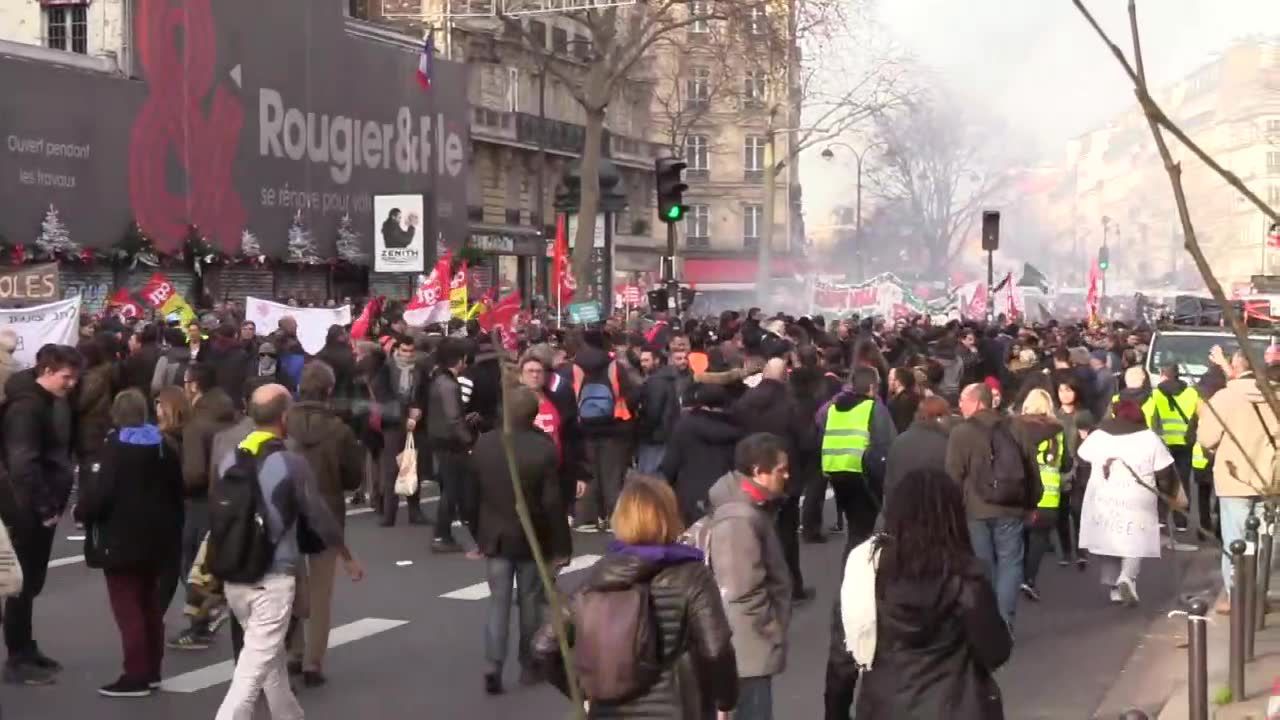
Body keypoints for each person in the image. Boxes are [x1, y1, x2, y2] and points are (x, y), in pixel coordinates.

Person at [213, 384, 365, 720]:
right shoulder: (289, 463)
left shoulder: (229, 457)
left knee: (272, 663)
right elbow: (318, 516)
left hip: (235, 572)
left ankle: (290, 715)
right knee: (251, 674)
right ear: (285, 417)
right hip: (273, 575)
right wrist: (347, 556)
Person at [533, 475, 738, 718]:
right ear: (669, 516)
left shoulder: (596, 579)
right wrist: (725, 701)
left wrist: (582, 692)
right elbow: (716, 649)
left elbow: (543, 646)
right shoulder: (692, 576)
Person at [841, 468, 1012, 720]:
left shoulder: (867, 571)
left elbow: (842, 657)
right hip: (957, 706)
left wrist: (836, 709)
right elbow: (995, 651)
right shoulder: (966, 577)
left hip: (884, 706)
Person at [74, 388, 184, 697]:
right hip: (158, 538)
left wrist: (81, 511)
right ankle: (151, 670)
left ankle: (135, 673)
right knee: (149, 604)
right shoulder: (165, 446)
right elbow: (178, 492)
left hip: (120, 539)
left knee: (128, 607)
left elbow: (100, 495)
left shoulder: (114, 449)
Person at [470, 386, 571, 694]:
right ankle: (528, 662)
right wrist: (562, 547)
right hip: (531, 535)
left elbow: (472, 496)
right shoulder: (543, 449)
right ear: (534, 414)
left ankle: (492, 663)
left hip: (495, 534)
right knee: (529, 600)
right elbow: (553, 504)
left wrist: (478, 533)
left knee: (497, 601)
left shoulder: (485, 445)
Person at [0, 344, 82, 685]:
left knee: (29, 582)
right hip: (24, 509)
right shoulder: (27, 409)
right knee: (20, 583)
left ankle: (26, 648)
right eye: (66, 377)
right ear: (46, 371)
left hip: (31, 506)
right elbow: (23, 464)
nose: (71, 384)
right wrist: (45, 507)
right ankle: (18, 657)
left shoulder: (42, 402)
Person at [283, 361, 366, 687]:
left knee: (289, 585)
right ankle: (313, 661)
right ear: (329, 390)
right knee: (320, 593)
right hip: (326, 511)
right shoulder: (339, 430)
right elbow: (352, 477)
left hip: (286, 511)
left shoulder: (284, 423)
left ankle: (293, 649)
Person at [705, 433, 794, 720]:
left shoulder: (748, 508)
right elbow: (739, 592)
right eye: (780, 470)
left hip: (746, 649)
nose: (787, 475)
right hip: (747, 653)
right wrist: (771, 629)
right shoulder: (739, 520)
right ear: (758, 471)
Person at [946, 383, 1040, 627]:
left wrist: (951, 512)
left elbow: (953, 476)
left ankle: (986, 622)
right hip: (1011, 506)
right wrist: (1031, 504)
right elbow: (1031, 469)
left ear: (977, 402)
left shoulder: (961, 432)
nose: (960, 405)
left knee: (983, 565)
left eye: (963, 400)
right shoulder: (1015, 427)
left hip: (975, 510)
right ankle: (1004, 618)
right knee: (1011, 563)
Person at [1077, 398, 1180, 606]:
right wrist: (1167, 494)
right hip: (1138, 494)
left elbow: (1081, 454)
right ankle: (1127, 577)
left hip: (1105, 494)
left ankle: (1114, 586)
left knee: (1109, 538)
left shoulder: (1100, 435)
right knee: (1135, 539)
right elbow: (1164, 470)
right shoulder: (1149, 437)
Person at [1197, 348, 1274, 614]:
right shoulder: (1274, 394)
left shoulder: (1225, 398)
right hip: (1271, 478)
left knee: (1235, 539)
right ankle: (1258, 592)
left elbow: (1206, 439)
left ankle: (1236, 595)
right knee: (1266, 539)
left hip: (1234, 476)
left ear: (1236, 368)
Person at [736, 357, 818, 602]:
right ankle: (792, 588)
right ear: (784, 377)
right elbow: (807, 441)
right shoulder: (791, 404)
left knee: (752, 532)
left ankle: (758, 586)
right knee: (786, 536)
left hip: (752, 475)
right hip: (784, 478)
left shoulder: (744, 402)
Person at [817, 366, 897, 551]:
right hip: (863, 473)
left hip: (836, 471)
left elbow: (822, 433)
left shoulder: (834, 408)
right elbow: (886, 443)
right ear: (872, 386)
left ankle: (851, 570)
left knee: (854, 527)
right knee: (862, 532)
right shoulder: (874, 408)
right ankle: (856, 573)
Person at [660, 383, 745, 525]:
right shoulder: (737, 428)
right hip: (728, 495)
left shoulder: (685, 426)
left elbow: (670, 464)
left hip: (691, 495)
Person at [1015, 389, 1071, 602]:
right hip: (1048, 495)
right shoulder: (1058, 430)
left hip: (1020, 493)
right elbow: (1066, 463)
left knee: (1017, 537)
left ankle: (1014, 575)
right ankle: (1029, 579)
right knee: (1039, 538)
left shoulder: (1015, 428)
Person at [369, 335, 427, 527]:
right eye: (404, 351)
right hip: (393, 424)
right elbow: (382, 396)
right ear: (396, 350)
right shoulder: (386, 369)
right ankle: (389, 514)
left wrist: (418, 409)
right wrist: (405, 416)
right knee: (391, 469)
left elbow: (423, 393)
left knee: (411, 467)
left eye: (411, 351)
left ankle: (414, 512)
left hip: (414, 424)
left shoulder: (420, 370)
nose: (408, 355)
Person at [426, 338, 476, 552]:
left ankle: (442, 534)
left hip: (439, 439)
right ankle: (441, 535)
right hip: (450, 443)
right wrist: (469, 442)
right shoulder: (448, 384)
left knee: (450, 488)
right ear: (461, 359)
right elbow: (453, 418)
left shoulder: (438, 379)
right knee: (451, 490)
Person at [1147, 363, 1200, 533]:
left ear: (1163, 374)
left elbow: (1151, 419)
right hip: (1185, 443)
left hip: (1164, 443)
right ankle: (1181, 520)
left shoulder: (1155, 394)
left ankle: (1162, 518)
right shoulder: (1192, 393)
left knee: (1163, 481)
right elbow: (1198, 415)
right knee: (1183, 482)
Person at [883, 395, 952, 517]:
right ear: (939, 417)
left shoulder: (899, 441)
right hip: (934, 515)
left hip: (902, 513)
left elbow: (889, 483)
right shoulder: (946, 444)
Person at [886, 366, 920, 433]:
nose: (888, 382)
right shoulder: (914, 397)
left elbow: (900, 427)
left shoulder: (901, 402)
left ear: (898, 382)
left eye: (890, 379)